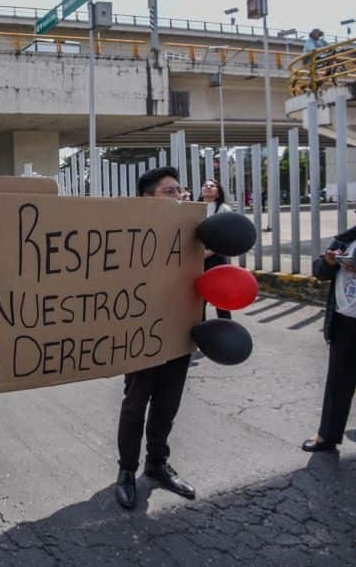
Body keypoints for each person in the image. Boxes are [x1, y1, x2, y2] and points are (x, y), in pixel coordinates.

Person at [115, 166, 196, 510]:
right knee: (136, 406)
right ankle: (126, 471)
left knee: (167, 405)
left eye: (180, 190)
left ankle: (157, 464)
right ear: (146, 198)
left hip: (179, 330)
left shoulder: (194, 231)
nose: (178, 196)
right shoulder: (126, 232)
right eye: (169, 191)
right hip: (140, 333)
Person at [301, 224, 356, 453]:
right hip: (345, 320)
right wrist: (330, 262)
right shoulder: (346, 239)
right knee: (338, 380)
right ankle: (327, 435)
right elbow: (319, 269)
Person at [198, 179, 233, 319]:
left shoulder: (224, 209)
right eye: (205, 185)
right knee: (199, 297)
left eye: (212, 186)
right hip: (197, 258)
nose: (208, 187)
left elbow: (227, 235)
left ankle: (225, 325)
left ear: (218, 193)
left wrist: (209, 252)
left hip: (216, 257)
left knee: (220, 294)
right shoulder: (194, 207)